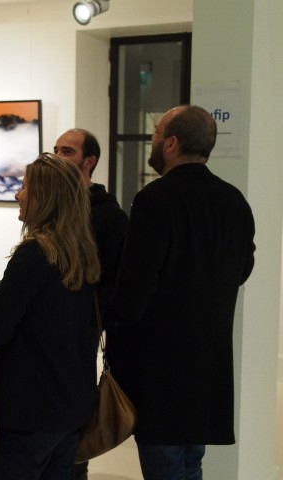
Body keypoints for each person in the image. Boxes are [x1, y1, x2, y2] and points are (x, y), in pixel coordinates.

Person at [105, 105, 256, 479]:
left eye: (157, 132)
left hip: (161, 366)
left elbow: (135, 287)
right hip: (208, 363)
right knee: (190, 463)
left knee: (167, 465)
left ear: (171, 143)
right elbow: (243, 269)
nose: (152, 139)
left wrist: (114, 322)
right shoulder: (234, 201)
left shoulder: (155, 199)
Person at [0, 153, 101, 479]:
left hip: (31, 411)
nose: (18, 194)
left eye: (25, 187)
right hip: (72, 405)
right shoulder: (82, 254)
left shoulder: (34, 254)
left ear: (44, 197)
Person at [54, 128, 129, 480]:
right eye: (56, 149)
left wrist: (95, 319)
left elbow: (116, 279)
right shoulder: (55, 208)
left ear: (89, 161)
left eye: (67, 151)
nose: (57, 156)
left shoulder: (108, 216)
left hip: (81, 331)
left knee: (73, 410)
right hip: (51, 329)